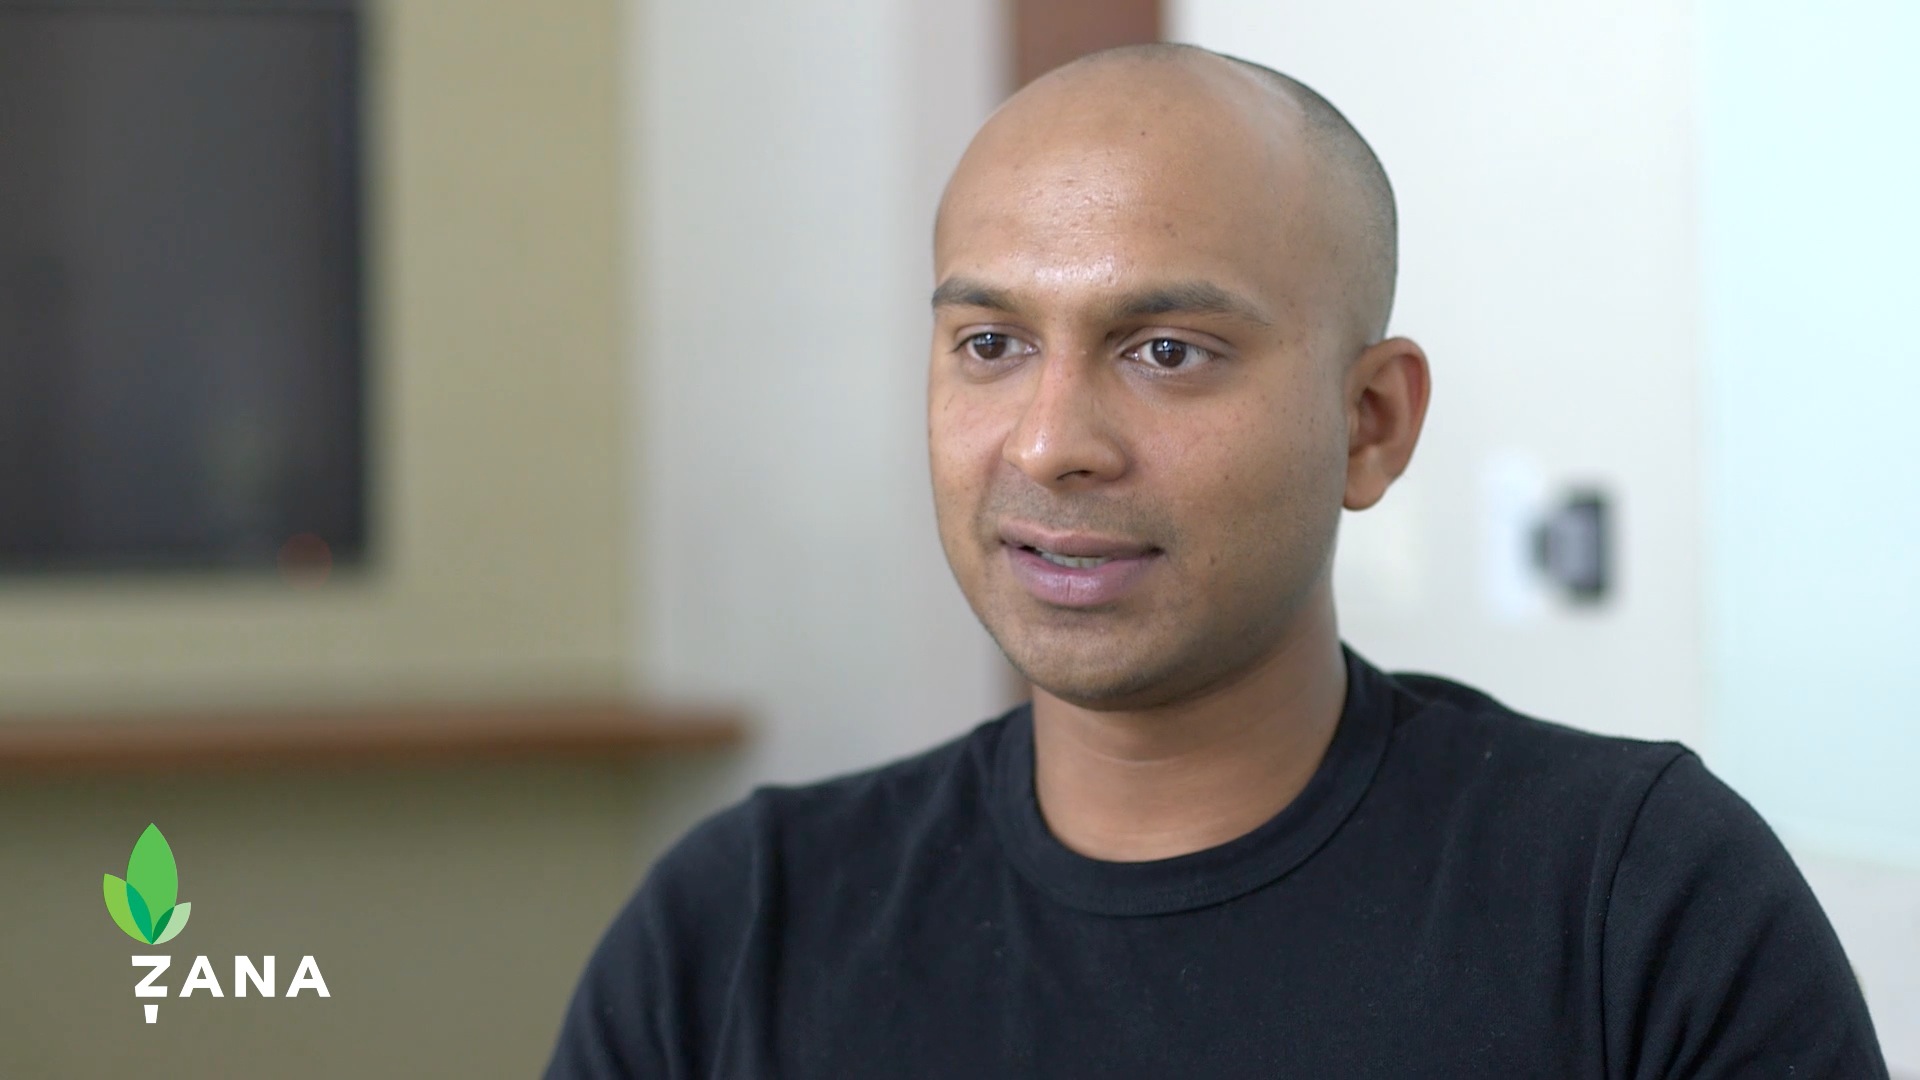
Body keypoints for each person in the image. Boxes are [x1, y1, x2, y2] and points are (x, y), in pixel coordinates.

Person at [546, 44, 1887, 1078]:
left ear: (1371, 423)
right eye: (991, 345)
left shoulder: (1632, 904)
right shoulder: (739, 931)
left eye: (1167, 351)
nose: (1052, 443)